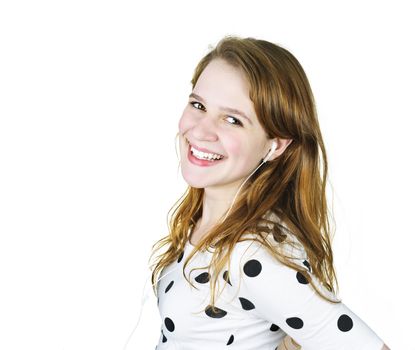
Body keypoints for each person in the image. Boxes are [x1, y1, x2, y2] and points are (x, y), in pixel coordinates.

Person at [149, 36, 390, 350]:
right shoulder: (214, 227)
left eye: (232, 120)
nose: (200, 131)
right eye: (198, 105)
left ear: (275, 145)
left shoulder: (252, 253)